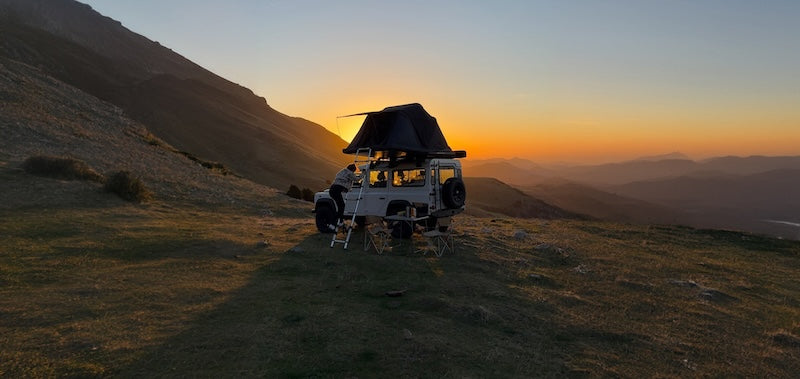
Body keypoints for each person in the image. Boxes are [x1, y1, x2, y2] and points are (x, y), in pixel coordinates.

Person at [329, 163, 358, 230]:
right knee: (341, 206)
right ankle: (332, 224)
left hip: (332, 189)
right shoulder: (350, 173)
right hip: (336, 190)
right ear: (353, 170)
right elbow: (356, 179)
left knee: (341, 206)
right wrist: (363, 175)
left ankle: (341, 221)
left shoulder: (342, 171)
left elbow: (341, 181)